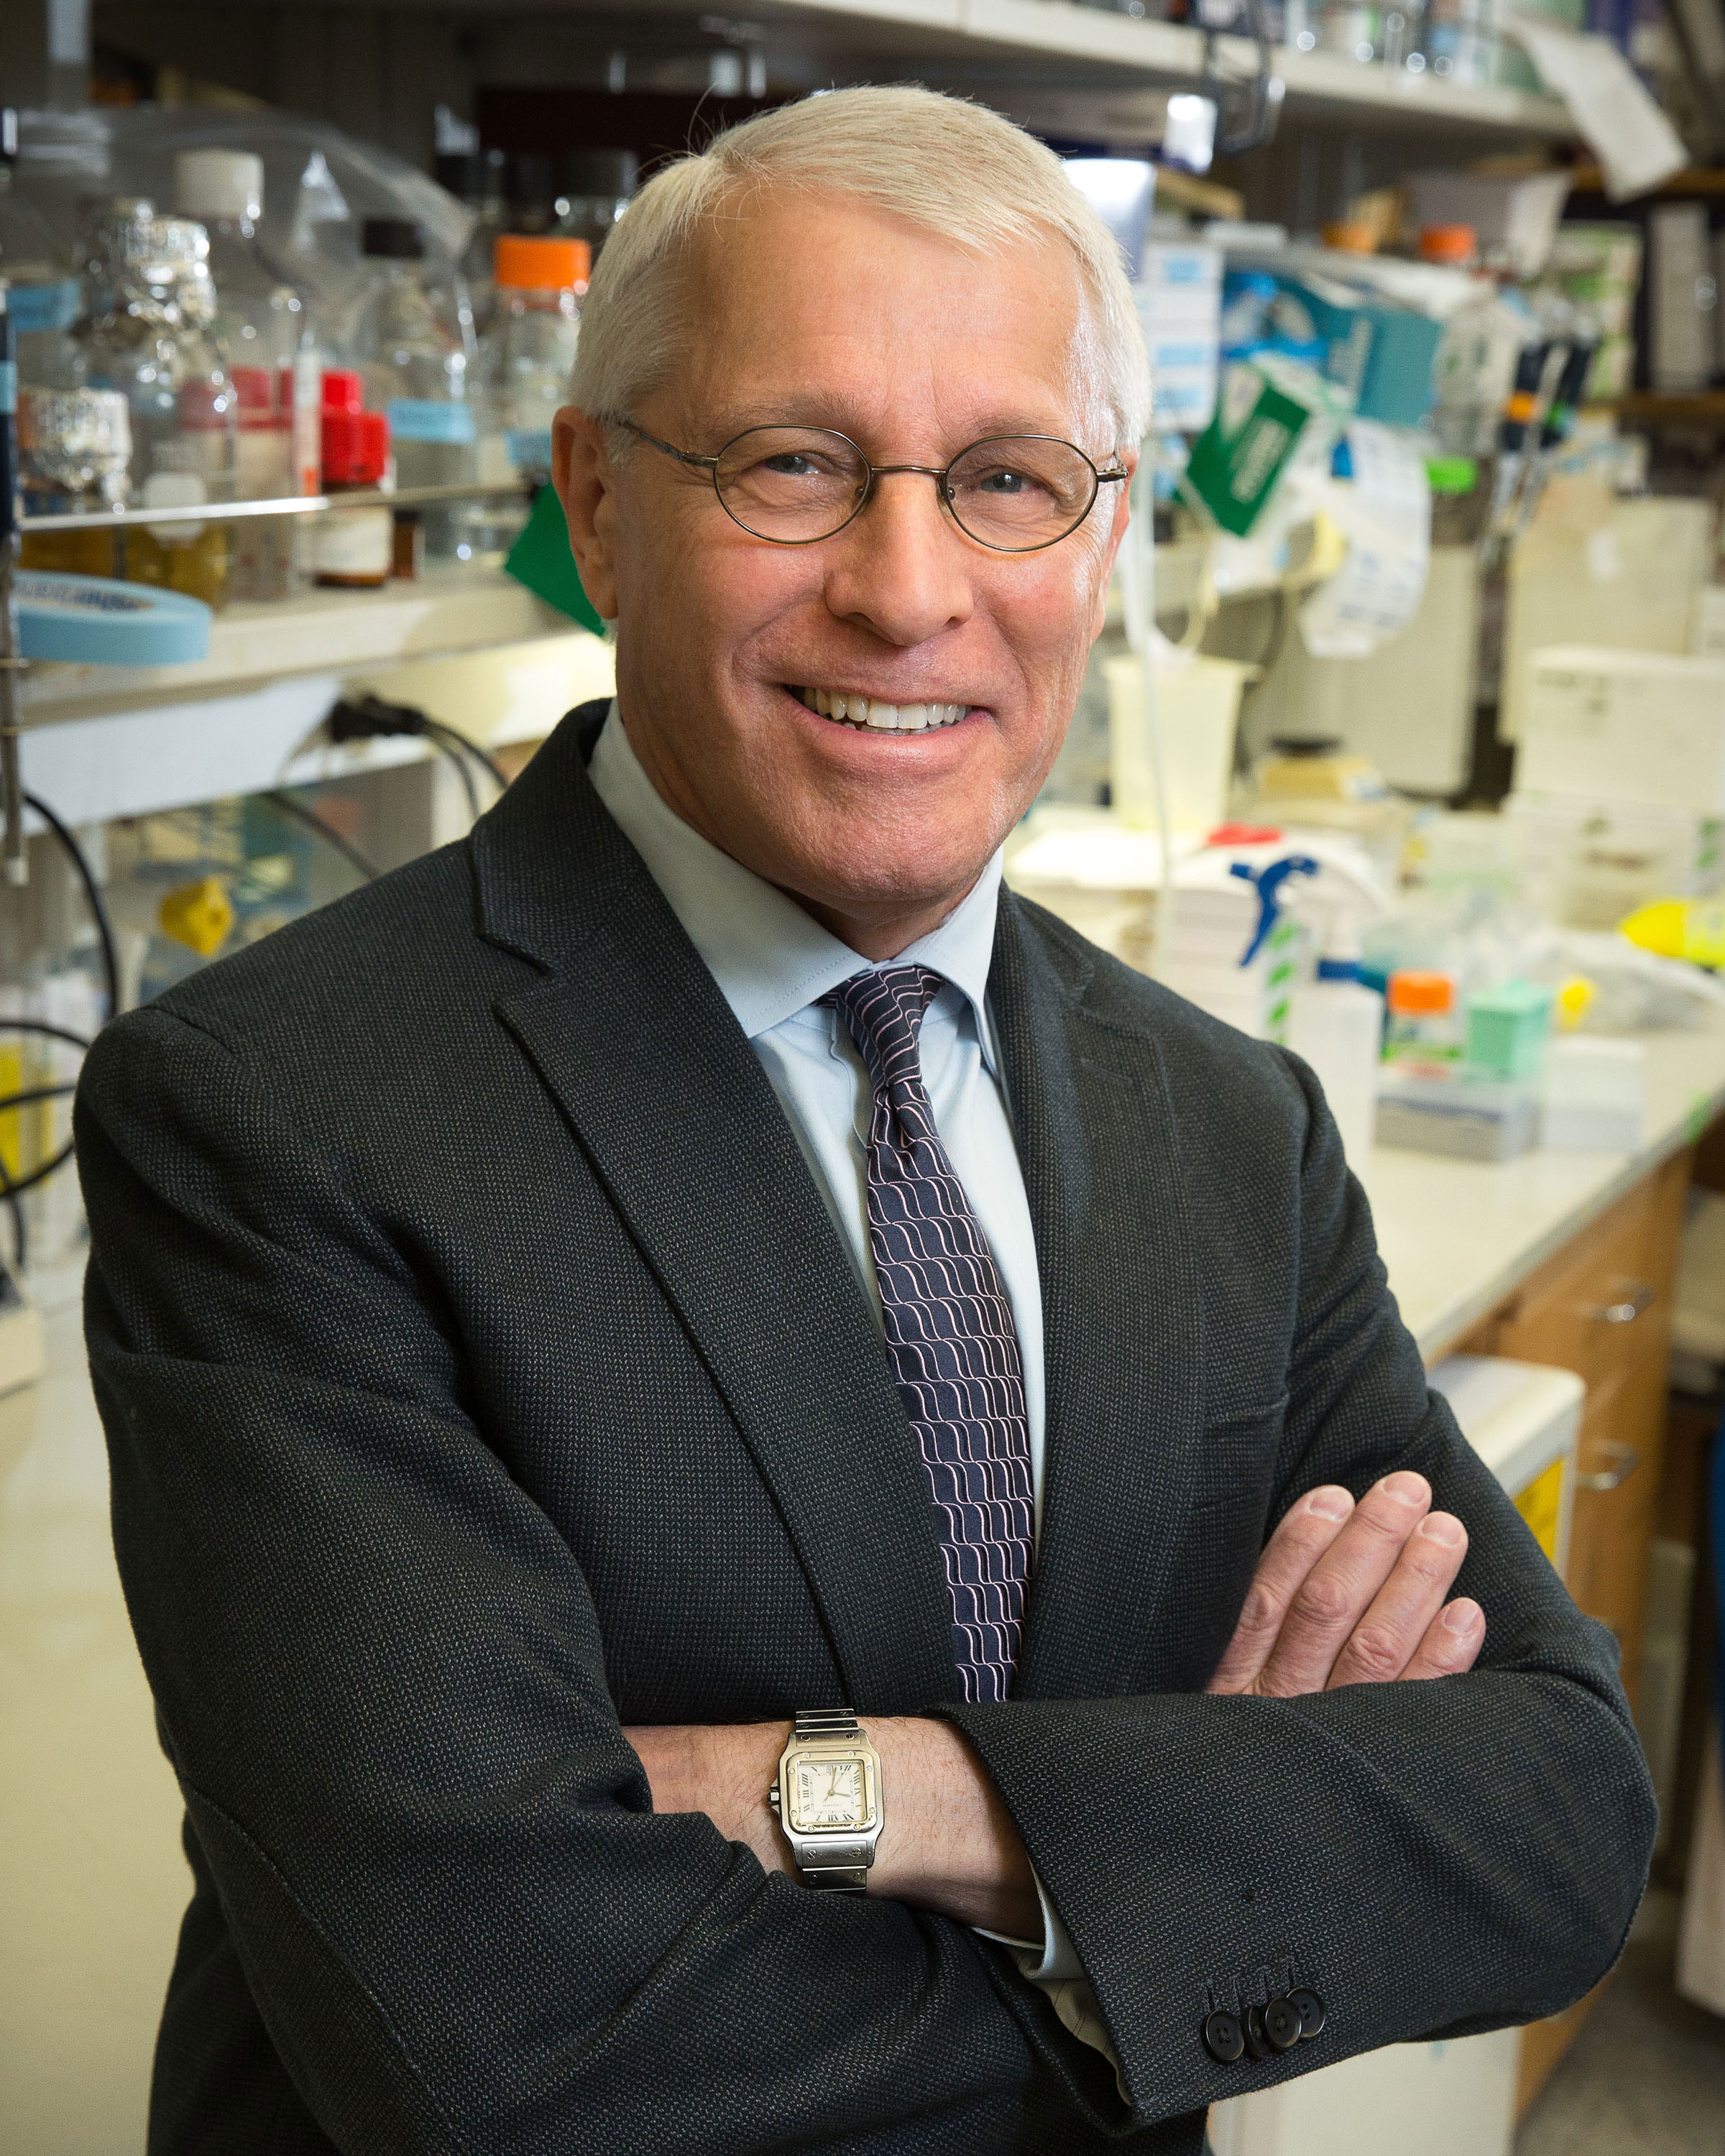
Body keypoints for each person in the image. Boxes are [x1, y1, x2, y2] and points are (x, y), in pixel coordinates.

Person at [77, 87, 1654, 2156]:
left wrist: (874, 1795)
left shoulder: (1225, 1126)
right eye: (793, 465)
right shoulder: (283, 1120)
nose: (908, 593)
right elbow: (507, 2055)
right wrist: (1168, 1894)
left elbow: (1556, 1823)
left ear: (1101, 538)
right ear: (601, 501)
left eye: (1008, 477)